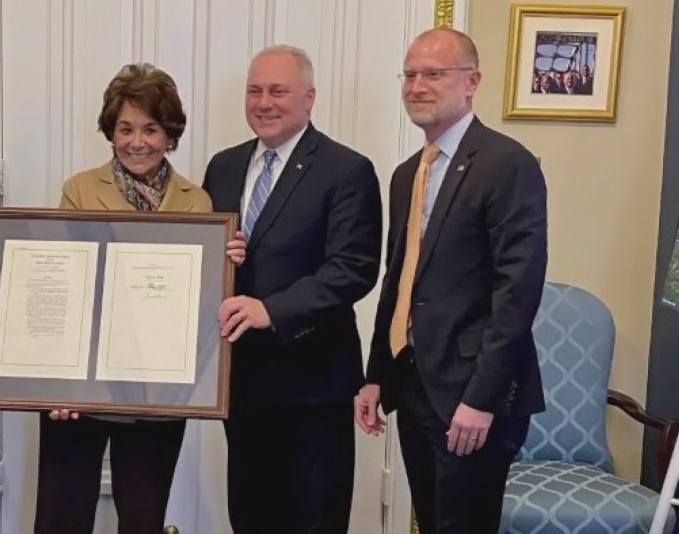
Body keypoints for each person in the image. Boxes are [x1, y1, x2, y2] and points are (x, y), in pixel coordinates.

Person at [34, 62, 246, 534]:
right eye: (125, 128)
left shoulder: (198, 202)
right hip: (82, 389)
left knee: (144, 519)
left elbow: (201, 303)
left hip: (158, 389)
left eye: (150, 129)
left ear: (170, 134)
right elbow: (64, 289)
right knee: (61, 518)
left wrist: (228, 260)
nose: (137, 142)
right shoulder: (80, 189)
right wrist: (58, 386)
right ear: (110, 132)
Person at [355, 28, 548, 534]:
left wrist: (482, 398)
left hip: (473, 395)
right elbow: (399, 280)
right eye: (410, 75)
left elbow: (517, 293)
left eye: (434, 74)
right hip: (414, 384)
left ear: (471, 81)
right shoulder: (407, 174)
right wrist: (377, 374)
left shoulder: (507, 164)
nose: (417, 86)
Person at [204, 45, 382, 534]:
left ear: (309, 98)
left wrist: (272, 310)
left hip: (313, 385)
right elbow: (209, 256)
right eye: (255, 90)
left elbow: (354, 267)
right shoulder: (223, 167)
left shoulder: (346, 169)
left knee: (313, 520)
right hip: (241, 384)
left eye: (278, 91)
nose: (264, 102)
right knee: (250, 517)